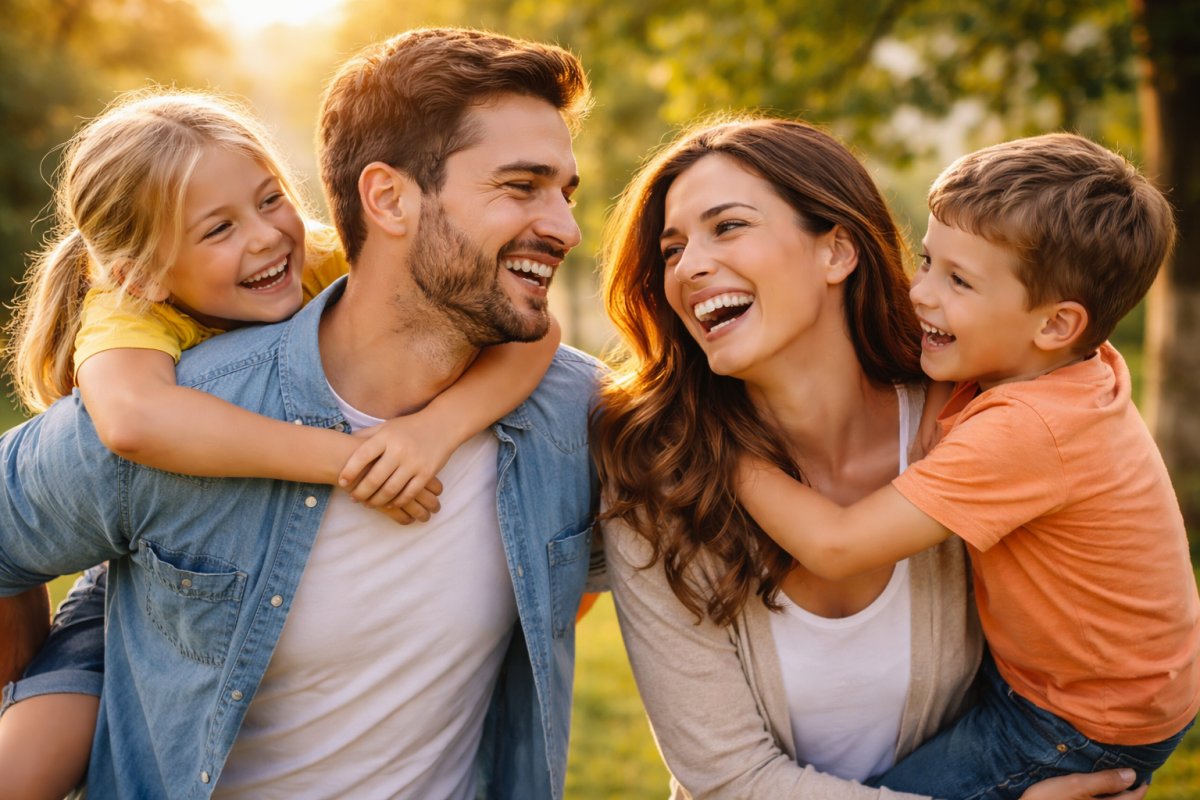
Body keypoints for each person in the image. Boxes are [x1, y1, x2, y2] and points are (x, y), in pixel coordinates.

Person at [0, 27, 599, 799]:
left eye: (270, 200)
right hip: (113, 607)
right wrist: (31, 675)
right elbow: (125, 427)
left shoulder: (571, 416)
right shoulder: (154, 374)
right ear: (386, 198)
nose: (567, 228)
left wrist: (431, 432)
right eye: (521, 186)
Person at [592, 116, 1151, 800]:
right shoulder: (657, 479)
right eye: (672, 248)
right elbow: (727, 779)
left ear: (838, 251)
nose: (689, 266)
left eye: (728, 226)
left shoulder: (971, 429)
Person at [735, 133, 1200, 799]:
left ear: (1055, 324)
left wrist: (727, 456)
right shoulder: (1065, 372)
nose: (920, 293)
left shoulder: (1028, 429)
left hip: (1073, 720)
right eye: (927, 261)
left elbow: (837, 546)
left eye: (958, 281)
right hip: (1092, 683)